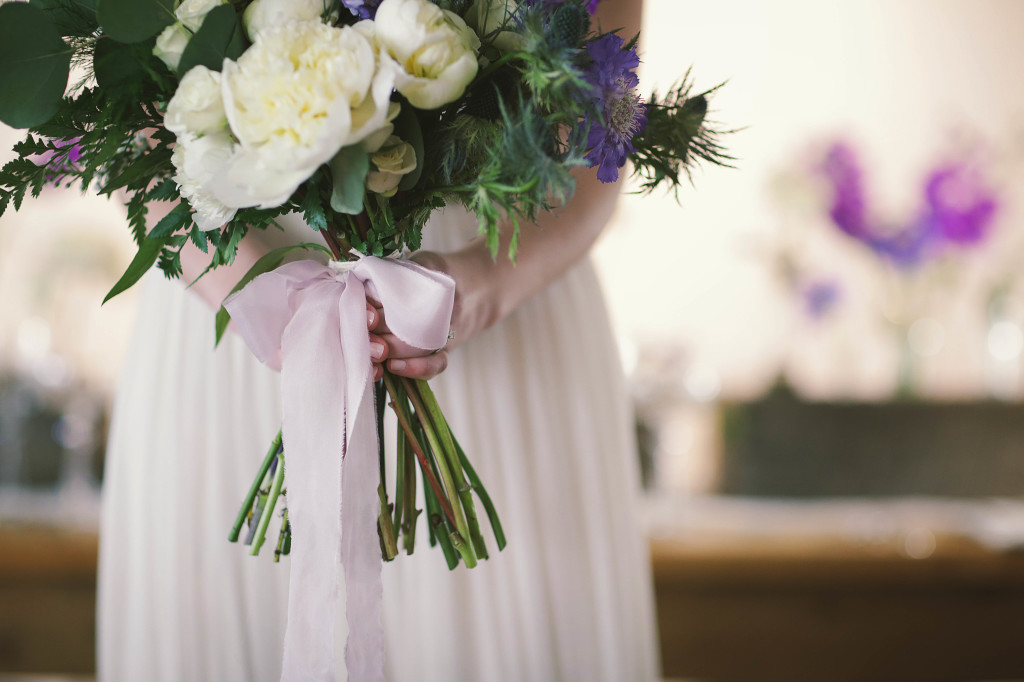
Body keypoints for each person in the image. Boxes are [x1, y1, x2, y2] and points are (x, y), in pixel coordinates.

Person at [97, 1, 658, 679]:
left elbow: (595, 131)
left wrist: (477, 286)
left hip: (498, 274)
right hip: (229, 281)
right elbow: (123, 118)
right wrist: (258, 295)